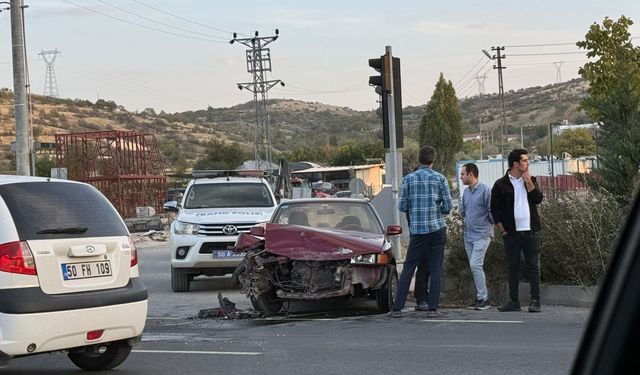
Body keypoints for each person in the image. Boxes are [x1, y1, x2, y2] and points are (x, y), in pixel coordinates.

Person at [391, 145, 452, 318]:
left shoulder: (408, 179)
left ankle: (398, 307)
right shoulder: (440, 179)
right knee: (435, 267)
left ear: (419, 159)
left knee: (409, 266)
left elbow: (402, 206)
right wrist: (435, 209)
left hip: (417, 230)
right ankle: (432, 307)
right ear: (433, 160)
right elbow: (447, 206)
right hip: (436, 229)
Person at [490, 149, 544, 313]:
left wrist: (528, 182)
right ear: (515, 164)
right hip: (511, 234)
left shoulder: (531, 180)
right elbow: (494, 210)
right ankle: (513, 301)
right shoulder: (500, 184)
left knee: (533, 266)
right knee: (513, 267)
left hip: (531, 232)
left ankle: (535, 301)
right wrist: (503, 231)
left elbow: (538, 199)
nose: (528, 163)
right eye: (525, 161)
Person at [460, 162, 493, 310]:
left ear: (471, 175)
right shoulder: (465, 192)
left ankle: (483, 298)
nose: (461, 177)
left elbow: (491, 210)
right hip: (468, 236)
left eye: (462, 174)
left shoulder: (486, 190)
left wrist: (490, 226)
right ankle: (480, 297)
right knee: (474, 267)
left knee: (475, 265)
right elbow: (463, 211)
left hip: (482, 235)